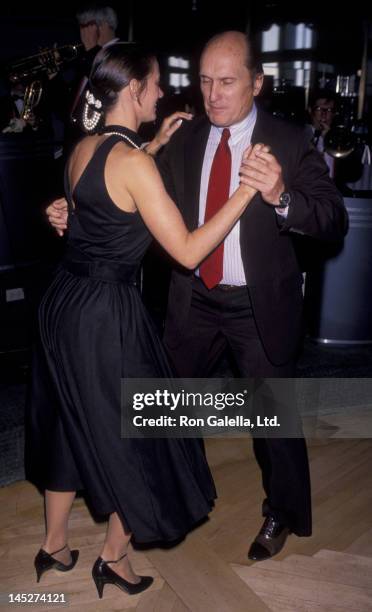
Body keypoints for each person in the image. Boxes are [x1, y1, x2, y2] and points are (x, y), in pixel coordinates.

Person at [46, 31, 348, 563]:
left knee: (272, 418)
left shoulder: (290, 139)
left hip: (259, 305)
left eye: (227, 82)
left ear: (257, 82)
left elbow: (333, 219)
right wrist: (78, 211)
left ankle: (283, 511)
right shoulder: (184, 137)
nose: (213, 95)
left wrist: (281, 196)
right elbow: (129, 195)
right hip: (195, 299)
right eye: (205, 82)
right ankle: (152, 505)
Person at [26, 42, 260, 598]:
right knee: (149, 434)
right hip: (107, 315)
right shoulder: (132, 164)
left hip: (64, 303)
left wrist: (153, 144)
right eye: (155, 84)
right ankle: (113, 556)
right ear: (134, 90)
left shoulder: (85, 147)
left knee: (69, 421)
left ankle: (53, 545)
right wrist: (246, 190)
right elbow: (185, 251)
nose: (162, 92)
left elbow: (107, 197)